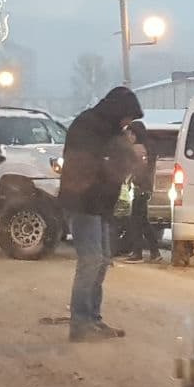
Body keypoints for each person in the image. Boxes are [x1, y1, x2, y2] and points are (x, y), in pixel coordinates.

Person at [58, 86, 143, 343]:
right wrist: (119, 156)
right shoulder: (88, 127)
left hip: (100, 206)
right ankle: (80, 323)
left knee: (102, 259)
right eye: (128, 116)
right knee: (91, 260)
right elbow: (89, 164)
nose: (129, 123)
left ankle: (93, 318)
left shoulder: (109, 130)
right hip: (83, 203)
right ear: (118, 111)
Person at [123, 121, 162, 263]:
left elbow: (136, 169)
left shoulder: (137, 149)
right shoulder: (148, 147)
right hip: (146, 188)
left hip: (140, 188)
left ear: (134, 134)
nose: (128, 137)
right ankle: (154, 252)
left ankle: (138, 253)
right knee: (143, 221)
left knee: (136, 221)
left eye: (129, 134)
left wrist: (130, 179)